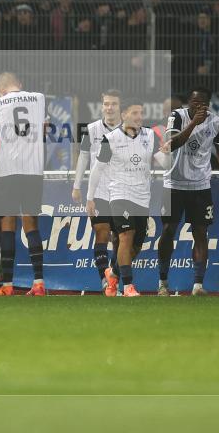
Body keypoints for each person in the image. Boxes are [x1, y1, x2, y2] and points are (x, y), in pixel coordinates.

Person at [157, 88, 219, 296]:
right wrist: (193, 123)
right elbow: (173, 143)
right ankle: (163, 282)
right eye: (194, 103)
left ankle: (198, 285)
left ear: (207, 104)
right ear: (188, 103)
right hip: (174, 184)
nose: (197, 107)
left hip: (200, 186)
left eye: (202, 104)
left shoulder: (216, 122)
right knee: (167, 231)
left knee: (200, 233)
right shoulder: (177, 116)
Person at [86, 99, 157, 297]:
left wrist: (167, 153)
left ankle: (113, 273)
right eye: (135, 113)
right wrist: (90, 198)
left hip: (142, 196)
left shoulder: (150, 135)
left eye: (141, 113)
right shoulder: (111, 138)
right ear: (124, 115)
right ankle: (127, 286)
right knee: (126, 236)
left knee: (136, 245)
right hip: (119, 193)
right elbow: (97, 169)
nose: (139, 117)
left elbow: (161, 160)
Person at [0, 72, 47, 296]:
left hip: (8, 172)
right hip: (33, 170)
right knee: (31, 224)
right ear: (20, 84)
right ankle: (39, 283)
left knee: (7, 225)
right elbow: (43, 129)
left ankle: (7, 285)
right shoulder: (38, 98)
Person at [72, 89, 122, 296]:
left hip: (122, 191)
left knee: (120, 238)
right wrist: (76, 186)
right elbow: (84, 157)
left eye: (113, 104)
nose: (109, 108)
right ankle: (104, 279)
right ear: (102, 106)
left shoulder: (127, 130)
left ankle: (115, 278)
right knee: (101, 232)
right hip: (99, 190)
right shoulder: (91, 129)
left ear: (120, 107)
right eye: (106, 104)